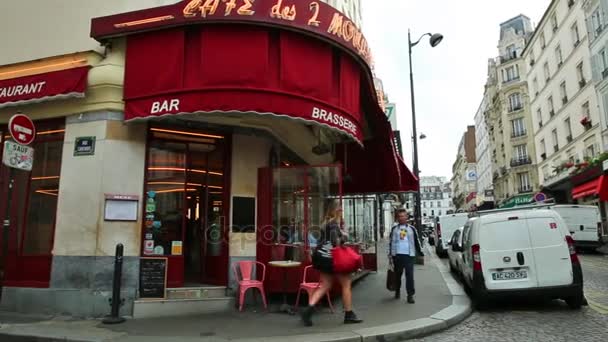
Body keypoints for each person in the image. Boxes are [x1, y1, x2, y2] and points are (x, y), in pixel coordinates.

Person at [301, 200, 363, 326]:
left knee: (325, 285)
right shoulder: (333, 224)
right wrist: (344, 236)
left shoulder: (325, 223)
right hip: (332, 259)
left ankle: (308, 310)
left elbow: (324, 240)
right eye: (340, 208)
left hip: (322, 258)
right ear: (335, 210)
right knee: (346, 284)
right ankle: (349, 314)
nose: (341, 209)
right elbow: (336, 242)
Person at [388, 209, 424, 303]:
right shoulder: (394, 229)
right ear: (397, 218)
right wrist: (390, 255)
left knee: (410, 276)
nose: (402, 218)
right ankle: (397, 290)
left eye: (403, 216)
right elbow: (391, 242)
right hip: (397, 255)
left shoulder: (411, 229)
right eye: (400, 216)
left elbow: (417, 241)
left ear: (407, 217)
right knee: (397, 275)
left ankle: (410, 295)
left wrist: (421, 253)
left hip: (409, 255)